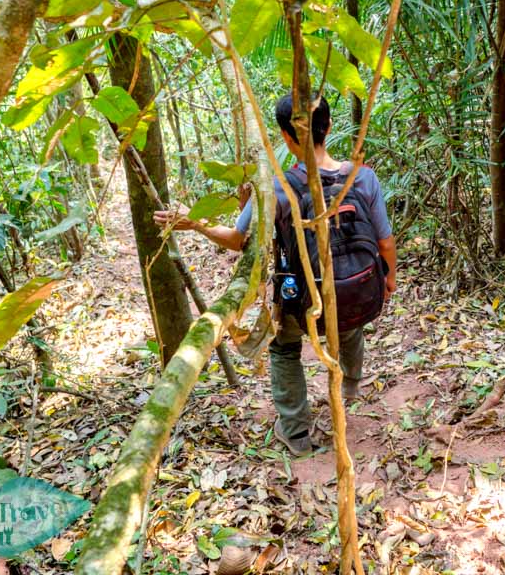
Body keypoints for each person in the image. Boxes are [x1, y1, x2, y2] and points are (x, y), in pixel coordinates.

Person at [155, 94, 397, 458]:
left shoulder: (277, 189)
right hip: (357, 289)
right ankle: (351, 386)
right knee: (349, 322)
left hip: (302, 299)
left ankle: (296, 433)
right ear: (328, 127)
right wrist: (389, 279)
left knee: (284, 349)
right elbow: (385, 241)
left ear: (285, 136)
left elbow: (238, 240)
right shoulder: (362, 178)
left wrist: (195, 222)